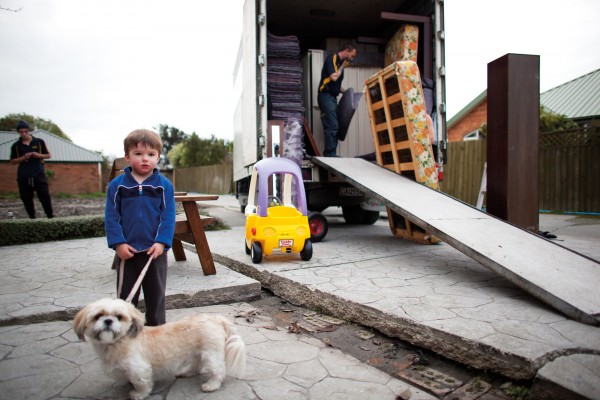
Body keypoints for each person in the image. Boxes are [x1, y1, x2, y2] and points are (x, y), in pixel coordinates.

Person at [105, 129, 176, 326]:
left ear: (158, 157)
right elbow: (111, 216)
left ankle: (157, 335)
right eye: (138, 154)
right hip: (128, 252)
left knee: (156, 298)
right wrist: (118, 243)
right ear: (127, 157)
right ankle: (126, 336)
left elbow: (168, 216)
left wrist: (162, 242)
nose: (145, 159)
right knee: (126, 301)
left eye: (151, 154)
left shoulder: (164, 186)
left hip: (155, 252)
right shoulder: (117, 185)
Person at [317, 44, 357, 157]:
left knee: (334, 125)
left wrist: (346, 93)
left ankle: (331, 154)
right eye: (352, 55)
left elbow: (335, 83)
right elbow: (334, 77)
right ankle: (330, 154)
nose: (352, 59)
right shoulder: (332, 59)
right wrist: (342, 67)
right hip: (325, 96)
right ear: (347, 51)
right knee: (333, 125)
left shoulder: (339, 64)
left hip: (332, 97)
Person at [9, 120, 54, 219]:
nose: (24, 134)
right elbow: (12, 161)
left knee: (45, 196)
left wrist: (38, 155)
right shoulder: (16, 145)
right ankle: (32, 218)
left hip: (38, 174)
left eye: (26, 131)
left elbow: (48, 155)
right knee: (26, 198)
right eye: (21, 132)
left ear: (29, 131)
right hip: (23, 176)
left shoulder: (39, 141)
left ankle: (50, 217)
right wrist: (24, 157)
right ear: (18, 132)